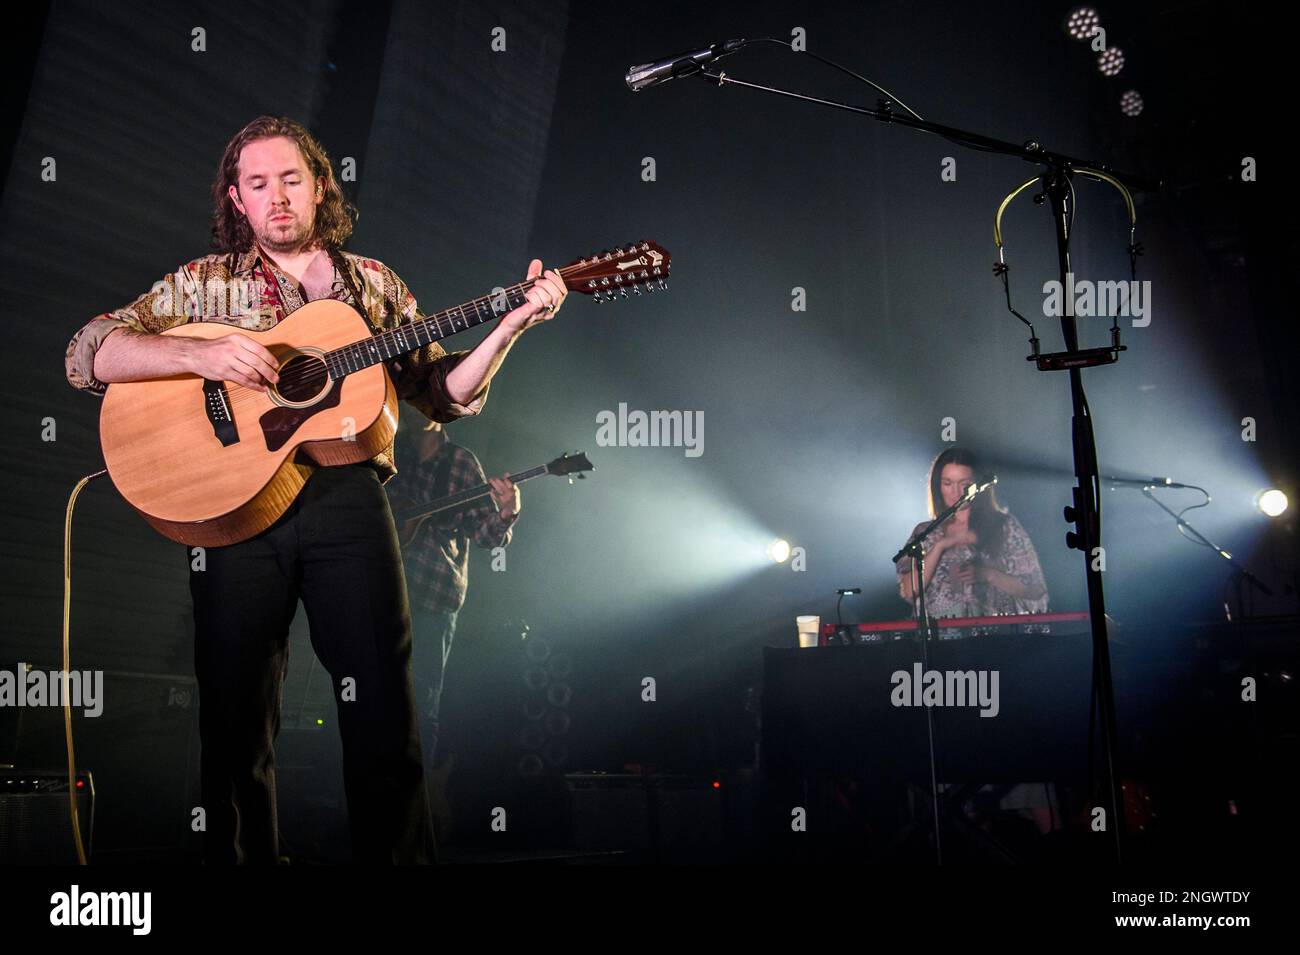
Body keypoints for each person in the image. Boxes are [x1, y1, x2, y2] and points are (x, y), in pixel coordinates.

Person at [62, 115, 568, 863]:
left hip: (349, 500)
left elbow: (441, 392)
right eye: (257, 184)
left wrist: (510, 327)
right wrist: (200, 357)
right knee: (235, 722)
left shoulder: (375, 283)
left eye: (290, 179)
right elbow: (87, 353)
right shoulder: (205, 284)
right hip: (233, 512)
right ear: (236, 199)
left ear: (320, 184)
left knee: (384, 708)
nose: (276, 198)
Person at [385, 417, 518, 823]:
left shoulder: (460, 463)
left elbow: (485, 535)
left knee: (422, 702)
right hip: (380, 591)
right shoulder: (388, 450)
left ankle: (414, 810)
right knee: (372, 698)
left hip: (433, 597)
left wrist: (508, 510)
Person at [896, 447, 1047, 619]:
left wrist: (989, 575)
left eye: (964, 484)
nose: (956, 492)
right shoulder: (924, 532)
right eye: (947, 483)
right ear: (937, 486)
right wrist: (941, 545)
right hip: (940, 635)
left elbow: (1035, 589)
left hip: (996, 630)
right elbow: (908, 590)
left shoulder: (1004, 526)